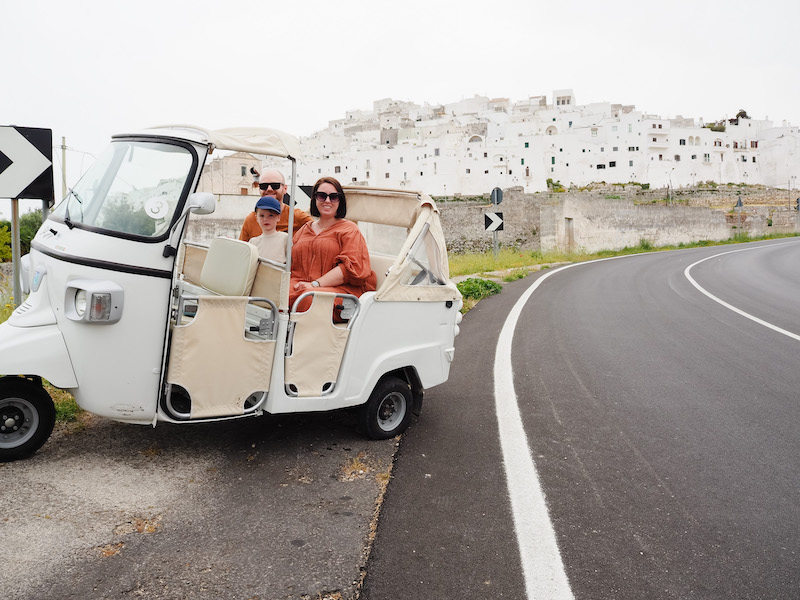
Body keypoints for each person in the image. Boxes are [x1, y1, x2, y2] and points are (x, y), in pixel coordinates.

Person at [289, 176, 376, 310]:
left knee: (307, 298)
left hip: (340, 291)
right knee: (275, 292)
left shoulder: (349, 230)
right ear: (314, 199)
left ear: (340, 201)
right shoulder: (304, 230)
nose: (327, 201)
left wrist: (315, 284)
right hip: (302, 285)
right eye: (322, 196)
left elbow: (351, 268)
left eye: (333, 197)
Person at [239, 169, 312, 241]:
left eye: (275, 185)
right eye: (264, 186)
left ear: (285, 189)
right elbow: (242, 250)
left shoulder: (298, 217)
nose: (269, 189)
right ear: (259, 189)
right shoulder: (250, 220)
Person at [247, 196, 287, 263]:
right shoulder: (253, 242)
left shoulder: (285, 238)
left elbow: (293, 264)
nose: (265, 219)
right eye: (262, 216)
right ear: (256, 217)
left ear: (278, 217)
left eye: (271, 215)